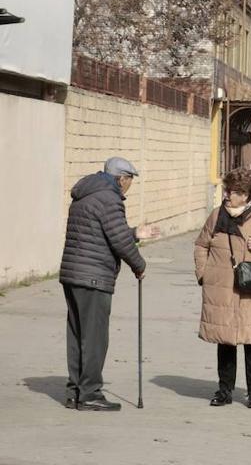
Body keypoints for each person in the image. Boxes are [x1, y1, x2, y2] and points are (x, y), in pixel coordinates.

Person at [59, 157, 158, 411]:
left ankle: (75, 392)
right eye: (129, 181)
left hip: (73, 274)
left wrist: (135, 232)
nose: (128, 187)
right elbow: (119, 241)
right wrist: (139, 265)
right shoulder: (109, 198)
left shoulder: (87, 193)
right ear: (121, 178)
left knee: (78, 334)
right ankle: (90, 393)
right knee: (94, 339)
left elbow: (106, 232)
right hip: (93, 276)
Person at [194, 168, 251, 409]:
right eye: (227, 190)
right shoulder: (217, 216)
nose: (227, 195)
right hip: (222, 289)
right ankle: (224, 390)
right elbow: (201, 245)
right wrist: (203, 273)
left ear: (247, 195)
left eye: (233, 192)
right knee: (224, 342)